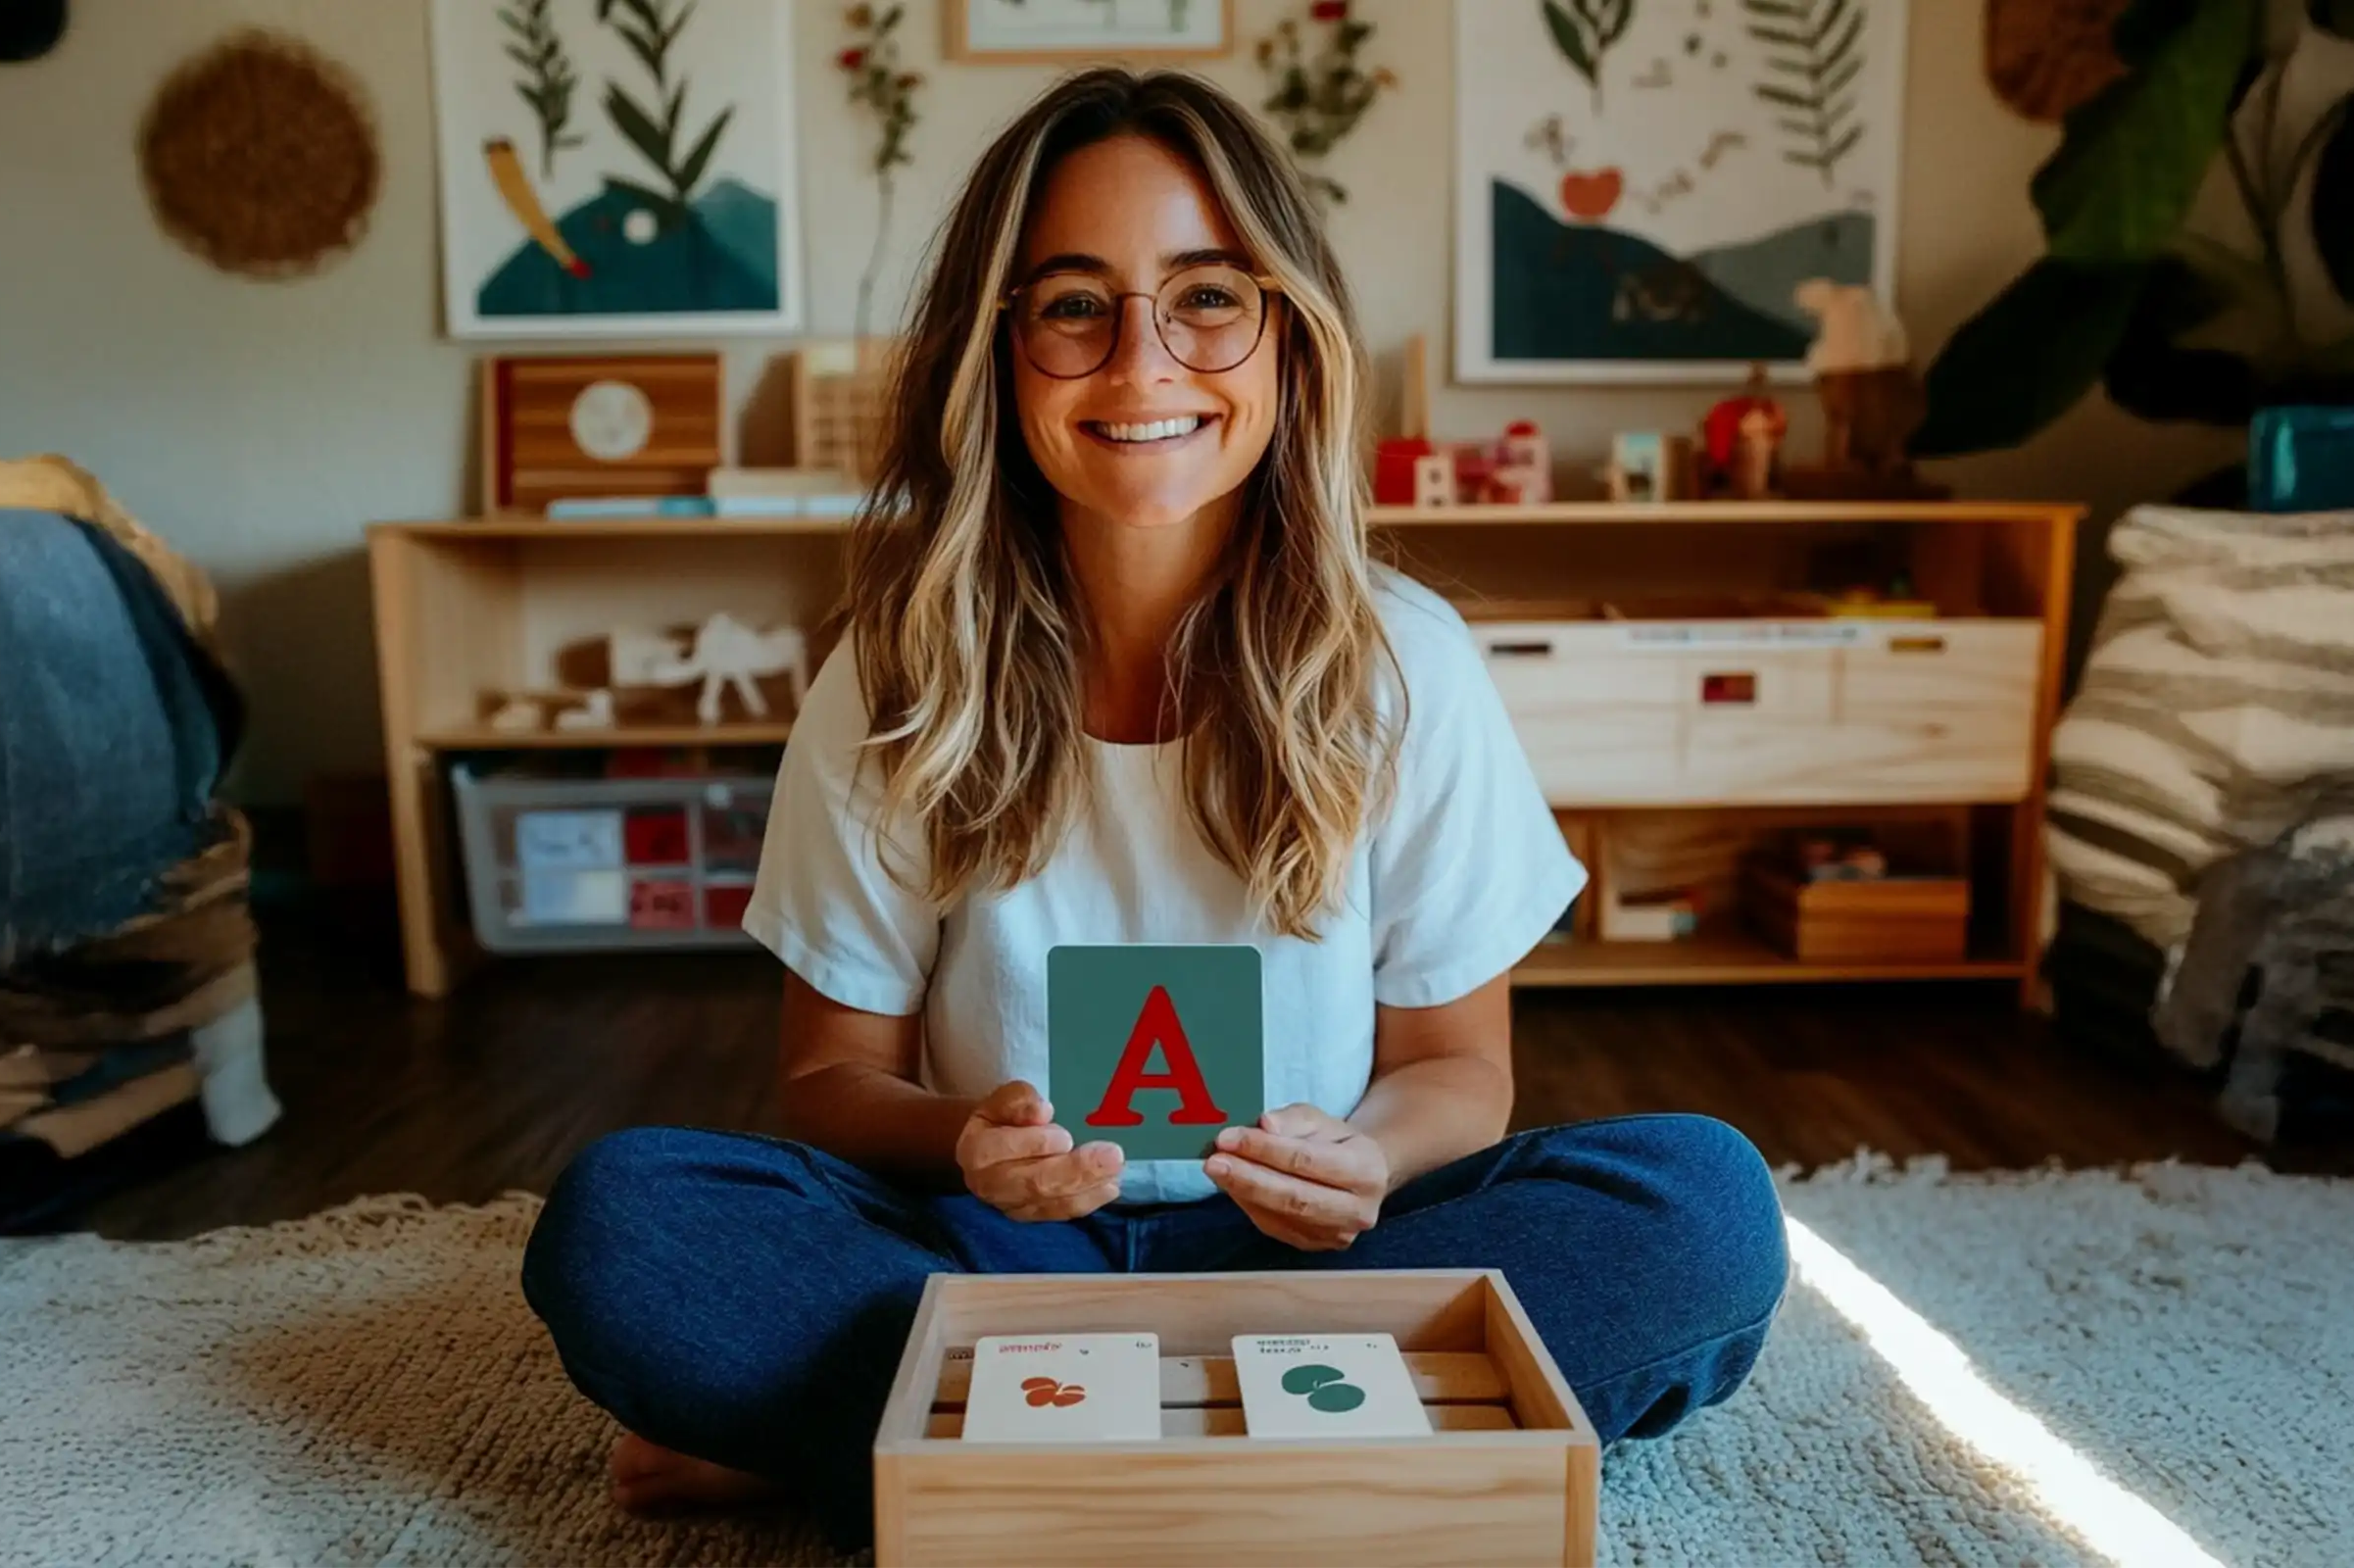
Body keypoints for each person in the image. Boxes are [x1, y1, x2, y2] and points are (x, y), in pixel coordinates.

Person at [519, 68, 1789, 1551]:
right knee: (625, 1222)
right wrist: (969, 1145)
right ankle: (1297, 1444)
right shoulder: (896, 675)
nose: (1142, 361)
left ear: (1287, 339)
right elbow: (828, 1087)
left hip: (1318, 1268)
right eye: (1072, 304)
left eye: (1205, 296)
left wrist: (1371, 1156)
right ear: (995, 353)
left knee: (1700, 1208)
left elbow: (1459, 1069)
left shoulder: (1405, 665)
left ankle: (924, 1441)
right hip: (993, 1252)